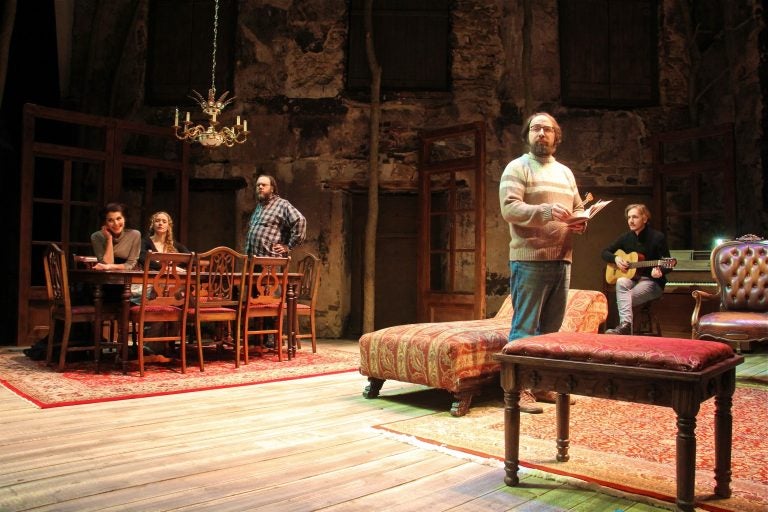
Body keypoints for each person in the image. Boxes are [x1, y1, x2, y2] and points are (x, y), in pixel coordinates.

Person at [499, 112, 587, 414]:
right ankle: (517, 389)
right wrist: (547, 212)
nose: (542, 134)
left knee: (551, 329)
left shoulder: (565, 172)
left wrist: (581, 221)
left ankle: (543, 384)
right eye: (536, 128)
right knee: (524, 328)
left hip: (562, 258)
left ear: (556, 136)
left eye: (548, 130)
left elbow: (577, 206)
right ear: (527, 135)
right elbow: (510, 208)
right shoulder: (517, 167)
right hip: (530, 259)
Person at [601, 204, 671, 335]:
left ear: (644, 219)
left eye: (635, 217)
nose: (631, 221)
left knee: (624, 299)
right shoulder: (625, 237)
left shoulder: (657, 237)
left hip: (652, 282)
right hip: (633, 279)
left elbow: (667, 262)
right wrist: (616, 259)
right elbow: (604, 252)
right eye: (629, 217)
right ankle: (626, 327)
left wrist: (660, 270)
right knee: (621, 281)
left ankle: (626, 327)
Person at [244, 174, 307, 257]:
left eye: (264, 185)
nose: (260, 187)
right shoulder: (260, 206)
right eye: (258, 185)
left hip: (271, 261)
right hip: (253, 259)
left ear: (272, 189)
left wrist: (289, 246)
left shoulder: (282, 204)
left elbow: (300, 220)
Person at [91, 202, 141, 271]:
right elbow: (106, 264)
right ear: (105, 223)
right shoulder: (96, 236)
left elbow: (130, 265)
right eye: (110, 220)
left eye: (119, 218)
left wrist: (109, 267)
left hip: (128, 277)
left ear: (124, 219)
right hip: (105, 277)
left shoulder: (135, 235)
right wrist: (109, 239)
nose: (116, 223)